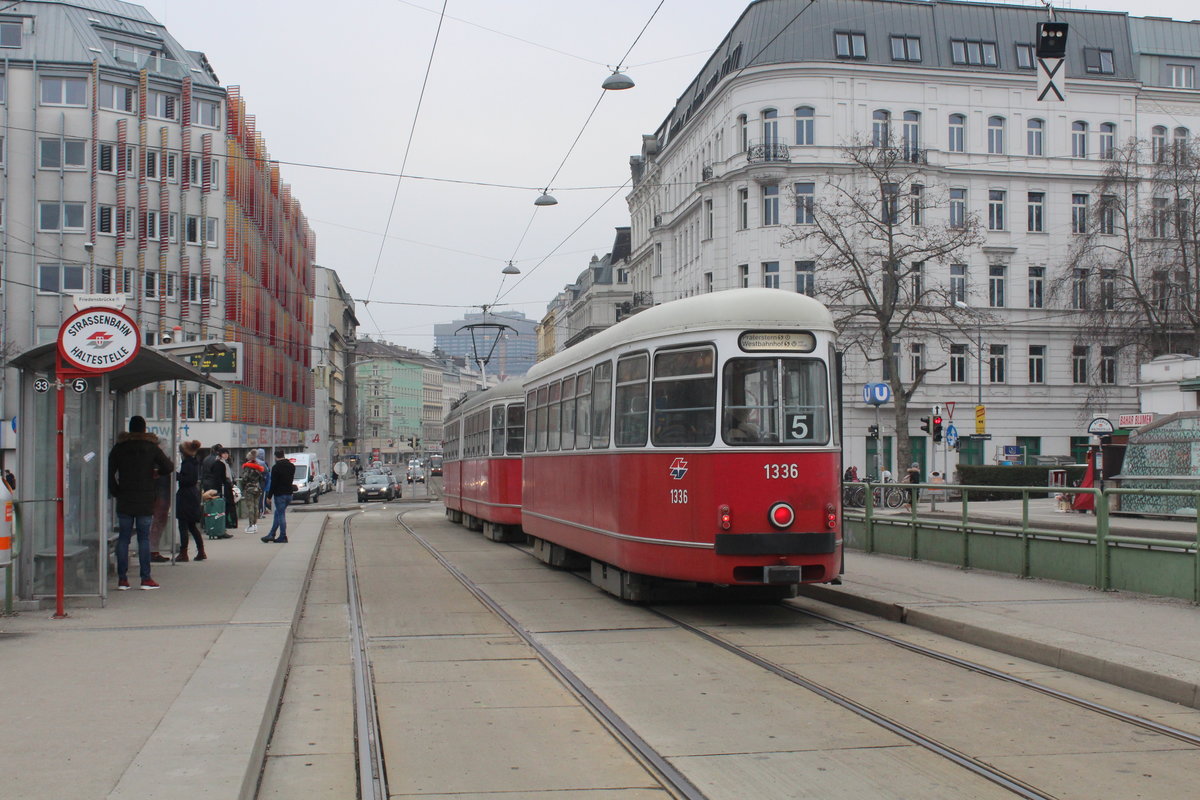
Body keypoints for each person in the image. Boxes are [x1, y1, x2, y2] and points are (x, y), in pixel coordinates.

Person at [108, 415, 173, 590]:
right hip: (145, 500)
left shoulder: (120, 447)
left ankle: (122, 579)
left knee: (123, 538)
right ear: (144, 429)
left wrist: (116, 491)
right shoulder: (151, 447)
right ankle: (145, 579)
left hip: (125, 499)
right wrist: (156, 472)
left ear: (130, 429)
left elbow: (110, 471)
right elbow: (168, 466)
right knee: (144, 539)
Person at [175, 440, 206, 562]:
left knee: (183, 525)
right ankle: (201, 551)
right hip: (192, 495)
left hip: (185, 496)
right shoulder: (194, 463)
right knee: (192, 526)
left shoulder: (187, 464)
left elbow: (187, 480)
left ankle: (183, 553)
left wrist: (176, 475)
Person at [261, 449, 296, 544]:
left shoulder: (276, 467)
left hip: (280, 494)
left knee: (281, 515)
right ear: (283, 455)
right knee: (278, 513)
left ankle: (283, 536)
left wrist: (269, 496)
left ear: (275, 456)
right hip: (289, 494)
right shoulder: (291, 466)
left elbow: (274, 484)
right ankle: (271, 534)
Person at [238, 452, 266, 534]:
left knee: (250, 507)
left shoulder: (247, 467)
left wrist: (243, 486)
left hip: (249, 488)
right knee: (256, 506)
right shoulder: (259, 467)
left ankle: (251, 525)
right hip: (257, 488)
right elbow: (262, 478)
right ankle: (255, 524)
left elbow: (244, 478)